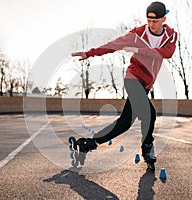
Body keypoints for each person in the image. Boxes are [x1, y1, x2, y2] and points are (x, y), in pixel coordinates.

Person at [71, 1, 177, 170]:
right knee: (150, 113)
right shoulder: (137, 35)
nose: (151, 24)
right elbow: (112, 45)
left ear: (164, 18)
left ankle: (89, 143)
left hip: (146, 84)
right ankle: (147, 148)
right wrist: (89, 53)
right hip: (133, 78)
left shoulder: (170, 36)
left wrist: (141, 51)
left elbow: (168, 53)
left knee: (125, 122)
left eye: (155, 21)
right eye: (148, 20)